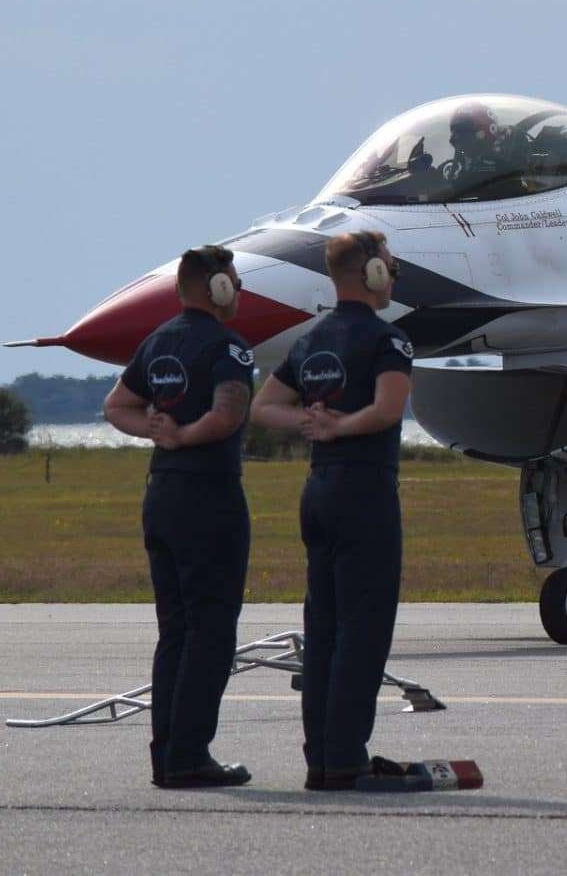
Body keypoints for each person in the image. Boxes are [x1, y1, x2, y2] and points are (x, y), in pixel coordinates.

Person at [251, 230, 414, 791]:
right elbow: (388, 409)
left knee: (322, 629)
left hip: (318, 489)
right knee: (363, 629)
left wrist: (310, 423)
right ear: (372, 274)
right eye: (390, 267)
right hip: (364, 489)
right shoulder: (388, 340)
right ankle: (346, 757)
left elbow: (264, 406)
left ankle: (321, 757)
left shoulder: (311, 340)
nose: (393, 277)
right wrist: (340, 427)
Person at [101, 245, 256, 789]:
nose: (238, 290)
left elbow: (116, 405)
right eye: (235, 282)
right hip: (208, 497)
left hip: (162, 493)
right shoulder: (228, 347)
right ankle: (190, 756)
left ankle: (167, 756)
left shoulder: (157, 342)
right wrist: (185, 435)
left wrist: (155, 431)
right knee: (210, 631)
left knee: (175, 631)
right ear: (218, 288)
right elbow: (227, 414)